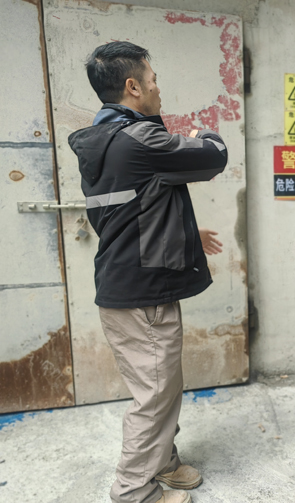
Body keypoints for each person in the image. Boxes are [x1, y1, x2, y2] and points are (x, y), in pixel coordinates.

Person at [68, 42, 228, 503]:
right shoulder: (140, 139)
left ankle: (162, 464)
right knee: (155, 396)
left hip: (129, 287)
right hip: (142, 295)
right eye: (154, 80)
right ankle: (134, 491)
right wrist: (205, 133)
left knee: (163, 386)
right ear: (133, 86)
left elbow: (132, 211)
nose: (159, 88)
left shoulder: (104, 143)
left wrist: (186, 234)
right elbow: (212, 156)